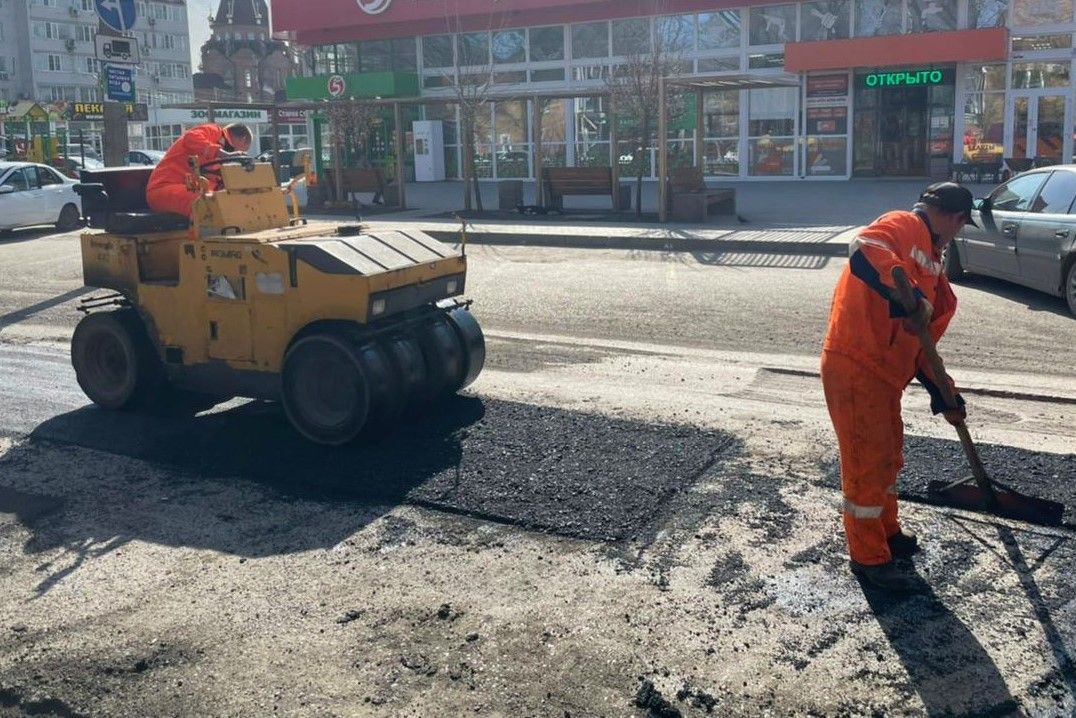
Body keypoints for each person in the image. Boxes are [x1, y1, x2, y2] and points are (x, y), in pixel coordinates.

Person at [821, 182, 975, 592]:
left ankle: (887, 534)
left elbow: (923, 347)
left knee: (888, 459)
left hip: (885, 378)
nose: (958, 233)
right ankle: (869, 560)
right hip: (856, 364)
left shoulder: (934, 267)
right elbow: (864, 248)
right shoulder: (903, 225)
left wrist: (946, 393)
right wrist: (901, 290)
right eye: (961, 225)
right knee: (866, 463)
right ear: (957, 219)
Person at [146, 123, 253, 217]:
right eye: (243, 150)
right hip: (164, 188)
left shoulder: (219, 158)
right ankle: (204, 240)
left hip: (188, 186)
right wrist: (224, 154)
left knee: (227, 200)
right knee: (207, 203)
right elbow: (190, 137)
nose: (240, 153)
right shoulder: (215, 131)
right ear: (243, 140)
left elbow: (208, 182)